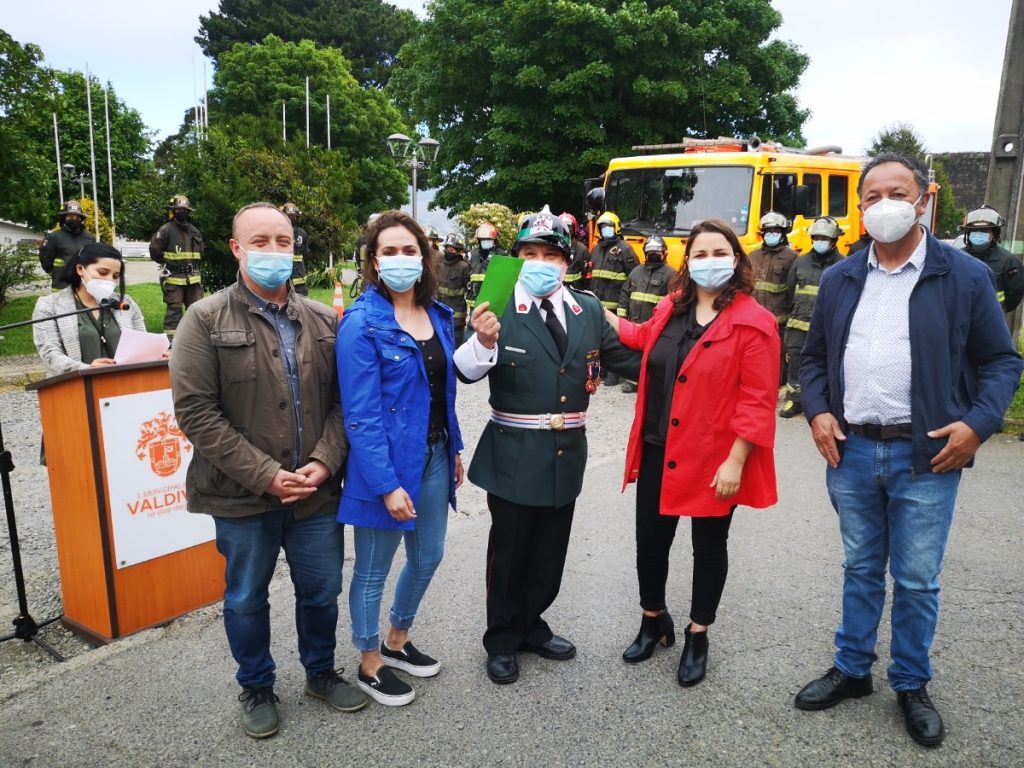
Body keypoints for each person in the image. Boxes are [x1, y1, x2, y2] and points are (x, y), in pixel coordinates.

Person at [795, 155, 1023, 747]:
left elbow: (1002, 360)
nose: (885, 204)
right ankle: (852, 669)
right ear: (859, 208)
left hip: (928, 455)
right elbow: (813, 358)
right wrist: (818, 411)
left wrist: (978, 424)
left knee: (918, 580)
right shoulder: (841, 277)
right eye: (872, 196)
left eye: (897, 193)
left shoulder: (963, 275)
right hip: (852, 451)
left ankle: (911, 682)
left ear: (923, 200)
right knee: (860, 568)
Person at [170, 202, 366, 740]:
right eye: (261, 242)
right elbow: (196, 413)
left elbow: (347, 403)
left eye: (283, 241)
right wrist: (265, 475)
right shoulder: (203, 319)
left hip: (315, 495)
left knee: (321, 591)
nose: (275, 251)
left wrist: (324, 462)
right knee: (245, 598)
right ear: (237, 248)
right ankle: (256, 685)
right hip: (241, 496)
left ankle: (320, 673)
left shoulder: (324, 320)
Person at [453, 206, 641, 686]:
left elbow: (626, 360)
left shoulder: (587, 309)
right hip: (513, 454)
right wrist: (483, 341)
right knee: (510, 555)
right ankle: (501, 639)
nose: (540, 262)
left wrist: (688, 356)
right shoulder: (497, 303)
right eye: (530, 253)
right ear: (517, 257)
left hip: (565, 454)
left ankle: (531, 624)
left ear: (567, 261)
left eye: (551, 255)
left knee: (548, 555)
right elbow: (465, 371)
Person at [604, 219, 779, 686]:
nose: (709, 262)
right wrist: (596, 313)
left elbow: (758, 400)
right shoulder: (671, 306)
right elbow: (641, 337)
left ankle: (698, 634)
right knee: (650, 542)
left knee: (709, 547)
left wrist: (736, 461)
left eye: (719, 253)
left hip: (714, 458)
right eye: (700, 254)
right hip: (658, 446)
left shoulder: (754, 322)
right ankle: (653, 619)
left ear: (736, 260)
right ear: (688, 261)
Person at [335, 210, 472, 708]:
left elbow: (442, 391)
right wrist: (386, 485)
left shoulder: (438, 315)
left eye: (409, 250)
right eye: (388, 251)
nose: (399, 258)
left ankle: (397, 639)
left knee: (428, 555)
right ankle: (369, 662)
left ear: (424, 257)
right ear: (373, 261)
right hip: (384, 466)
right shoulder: (360, 323)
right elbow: (360, 415)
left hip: (434, 453)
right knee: (373, 569)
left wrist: (454, 447)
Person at [32, 242, 146, 378]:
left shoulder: (126, 303)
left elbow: (142, 344)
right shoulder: (49, 305)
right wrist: (86, 369)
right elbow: (49, 354)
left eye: (115, 276)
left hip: (126, 382)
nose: (109, 280)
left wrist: (158, 354)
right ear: (80, 269)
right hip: (77, 384)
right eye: (103, 273)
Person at [779, 216, 844, 419]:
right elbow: (790, 291)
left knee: (827, 364)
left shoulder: (843, 264)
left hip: (827, 327)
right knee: (795, 363)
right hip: (798, 326)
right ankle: (794, 399)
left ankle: (824, 403)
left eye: (824, 238)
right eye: (816, 237)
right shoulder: (800, 262)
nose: (819, 241)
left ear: (834, 240)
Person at [616, 235, 676, 394]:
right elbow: (625, 294)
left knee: (653, 355)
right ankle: (633, 380)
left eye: (657, 252)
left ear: (665, 253)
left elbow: (674, 302)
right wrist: (622, 317)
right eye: (650, 252)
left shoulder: (671, 275)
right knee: (634, 354)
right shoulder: (636, 272)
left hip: (655, 325)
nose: (653, 255)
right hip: (634, 322)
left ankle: (650, 382)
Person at [589, 210, 639, 386]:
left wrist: (626, 304)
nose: (605, 229)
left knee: (615, 339)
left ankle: (614, 375)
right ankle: (601, 371)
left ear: (616, 227)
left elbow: (634, 276)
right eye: (602, 227)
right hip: (598, 304)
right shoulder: (596, 249)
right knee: (598, 337)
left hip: (615, 304)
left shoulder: (625, 249)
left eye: (608, 226)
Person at [749, 211, 797, 387]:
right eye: (768, 231)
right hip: (754, 320)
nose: (771, 235)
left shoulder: (792, 257)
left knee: (777, 359)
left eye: (775, 231)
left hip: (779, 322)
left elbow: (793, 290)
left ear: (782, 233)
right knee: (754, 356)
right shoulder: (752, 256)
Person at [149, 194, 204, 340]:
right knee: (174, 310)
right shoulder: (165, 230)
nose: (182, 212)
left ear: (188, 211)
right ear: (173, 211)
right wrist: (168, 263)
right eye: (178, 209)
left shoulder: (195, 231)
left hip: (193, 279)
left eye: (184, 210)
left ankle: (197, 340)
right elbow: (154, 251)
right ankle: (172, 341)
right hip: (174, 278)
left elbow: (200, 253)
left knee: (198, 310)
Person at [960, 205, 1024, 314]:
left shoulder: (1008, 261)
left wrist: (999, 310)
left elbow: (1015, 293)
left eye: (984, 230)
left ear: (995, 234)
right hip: (961, 318)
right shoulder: (956, 258)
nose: (979, 234)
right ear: (968, 233)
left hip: (993, 318)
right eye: (974, 230)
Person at [38, 200, 96, 290]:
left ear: (81, 219)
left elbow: (94, 260)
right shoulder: (53, 237)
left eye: (77, 217)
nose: (74, 219)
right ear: (64, 218)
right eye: (70, 216)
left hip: (84, 285)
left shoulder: (90, 238)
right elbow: (46, 260)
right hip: (61, 285)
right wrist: (57, 273)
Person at [465, 221, 507, 326]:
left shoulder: (502, 255)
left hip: (493, 307)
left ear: (494, 240)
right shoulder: (473, 255)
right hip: (474, 306)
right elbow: (467, 277)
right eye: (483, 239)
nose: (486, 242)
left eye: (489, 239)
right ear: (479, 240)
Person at [437, 232, 472, 341]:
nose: (449, 251)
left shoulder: (464, 267)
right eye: (447, 248)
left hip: (456, 318)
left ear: (458, 251)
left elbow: (469, 288)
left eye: (452, 249)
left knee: (455, 344)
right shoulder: (440, 264)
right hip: (439, 313)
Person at [281, 202, 310, 296]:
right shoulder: (276, 233)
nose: (291, 219)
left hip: (299, 279)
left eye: (293, 216)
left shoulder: (302, 234)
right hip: (281, 275)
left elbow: (305, 254)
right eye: (288, 216)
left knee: (301, 300)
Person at [560, 212, 591, 291]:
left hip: (576, 292)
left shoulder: (582, 249)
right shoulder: (552, 247)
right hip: (556, 292)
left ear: (574, 229)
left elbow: (587, 276)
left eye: (568, 227)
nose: (566, 230)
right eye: (562, 227)